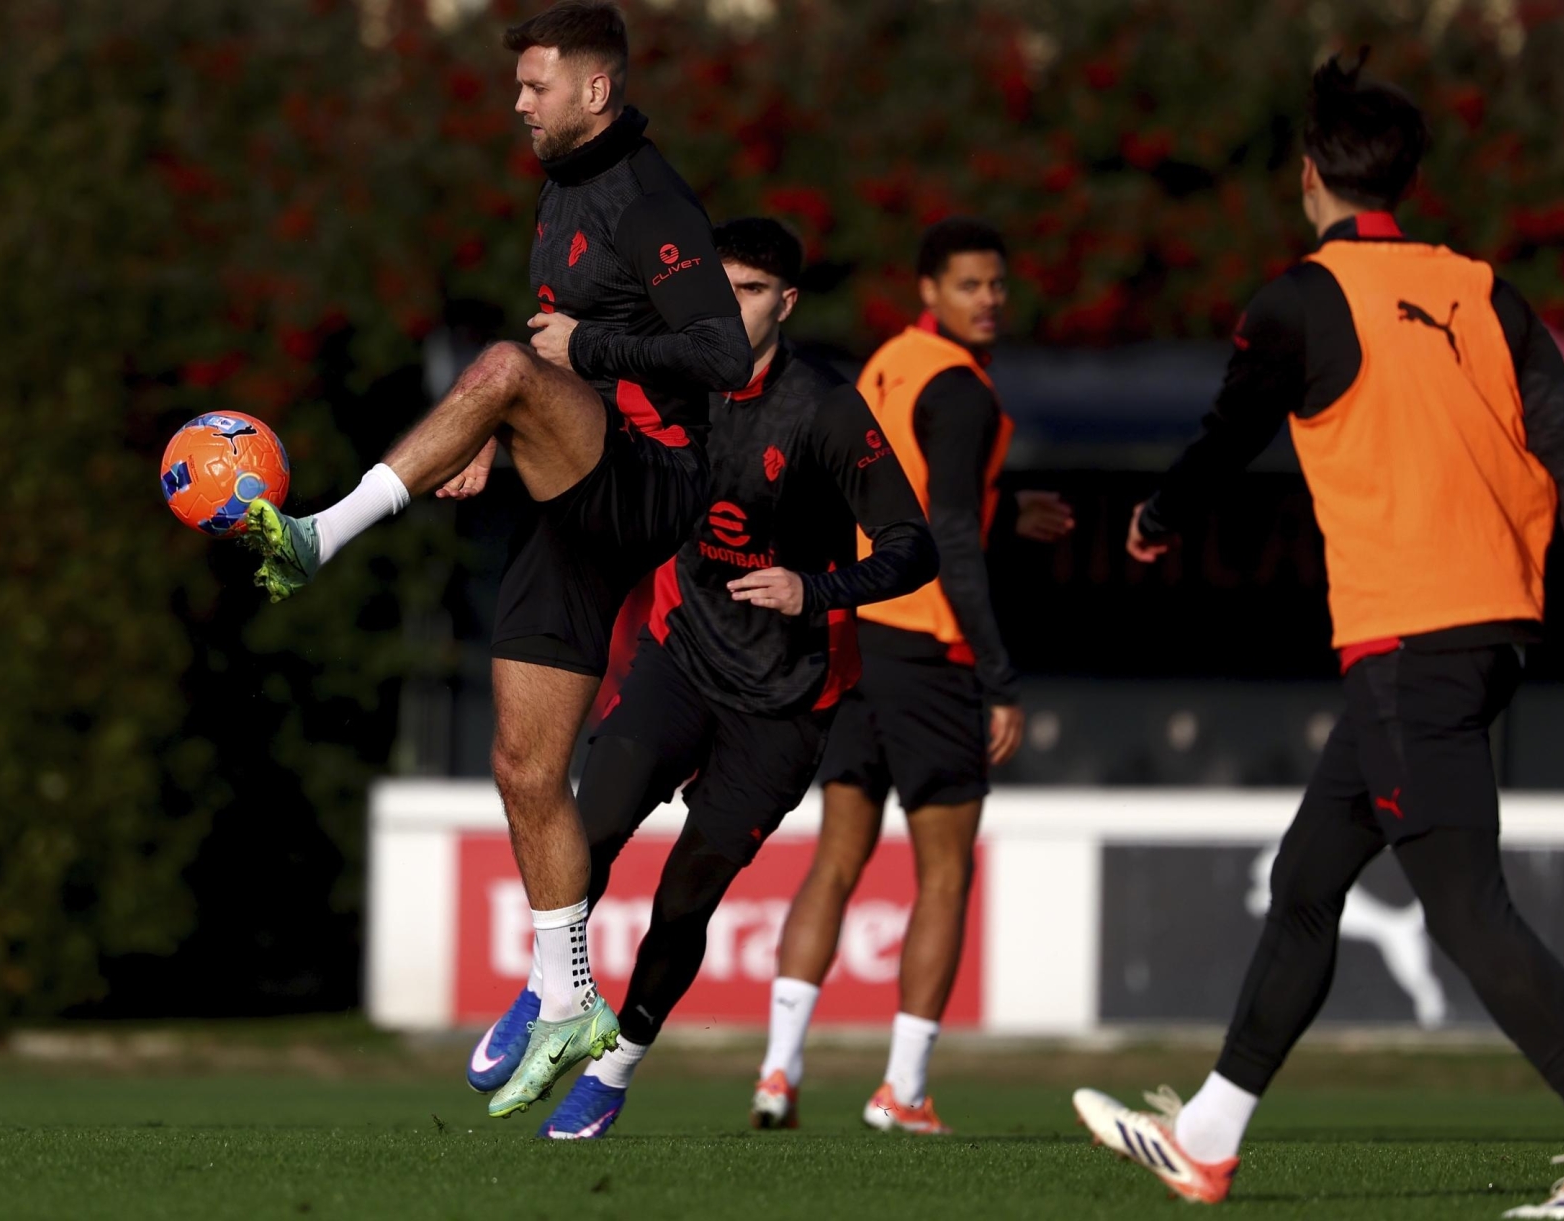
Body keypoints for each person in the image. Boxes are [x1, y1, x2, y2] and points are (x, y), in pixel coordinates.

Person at [1074, 55, 1564, 1219]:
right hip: (1490, 633)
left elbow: (1228, 430)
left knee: (1462, 902)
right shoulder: (1489, 292)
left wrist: (1161, 513)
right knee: (1308, 880)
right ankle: (1206, 1137)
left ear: (1310, 178)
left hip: (1414, 642)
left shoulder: (1299, 300)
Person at [247, 0, 752, 1118]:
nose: (518, 103)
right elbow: (551, 367)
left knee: (501, 361)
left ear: (596, 90)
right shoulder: (562, 186)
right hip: (578, 490)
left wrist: (557, 369)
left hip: (652, 479)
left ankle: (318, 532)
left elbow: (719, 352)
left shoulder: (650, 196)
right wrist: (494, 433)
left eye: (535, 85)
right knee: (525, 769)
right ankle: (564, 994)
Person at [467, 217, 933, 1140]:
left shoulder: (827, 412)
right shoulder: (663, 377)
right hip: (679, 661)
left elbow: (914, 548)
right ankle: (545, 993)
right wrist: (482, 440)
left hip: (786, 702)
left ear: (786, 304)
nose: (729, 306)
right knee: (586, 833)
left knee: (687, 897)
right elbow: (539, 400)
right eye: (717, 287)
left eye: (752, 290)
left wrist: (818, 587)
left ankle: (615, 1068)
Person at [754, 218, 1068, 1135]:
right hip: (929, 655)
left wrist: (1004, 513)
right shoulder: (962, 390)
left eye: (998, 284)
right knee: (942, 874)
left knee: (837, 859)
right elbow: (953, 541)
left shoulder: (886, 365)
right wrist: (1000, 677)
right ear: (930, 290)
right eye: (970, 284)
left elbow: (910, 506)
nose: (990, 300)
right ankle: (904, 1088)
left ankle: (777, 1070)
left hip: (856, 642)